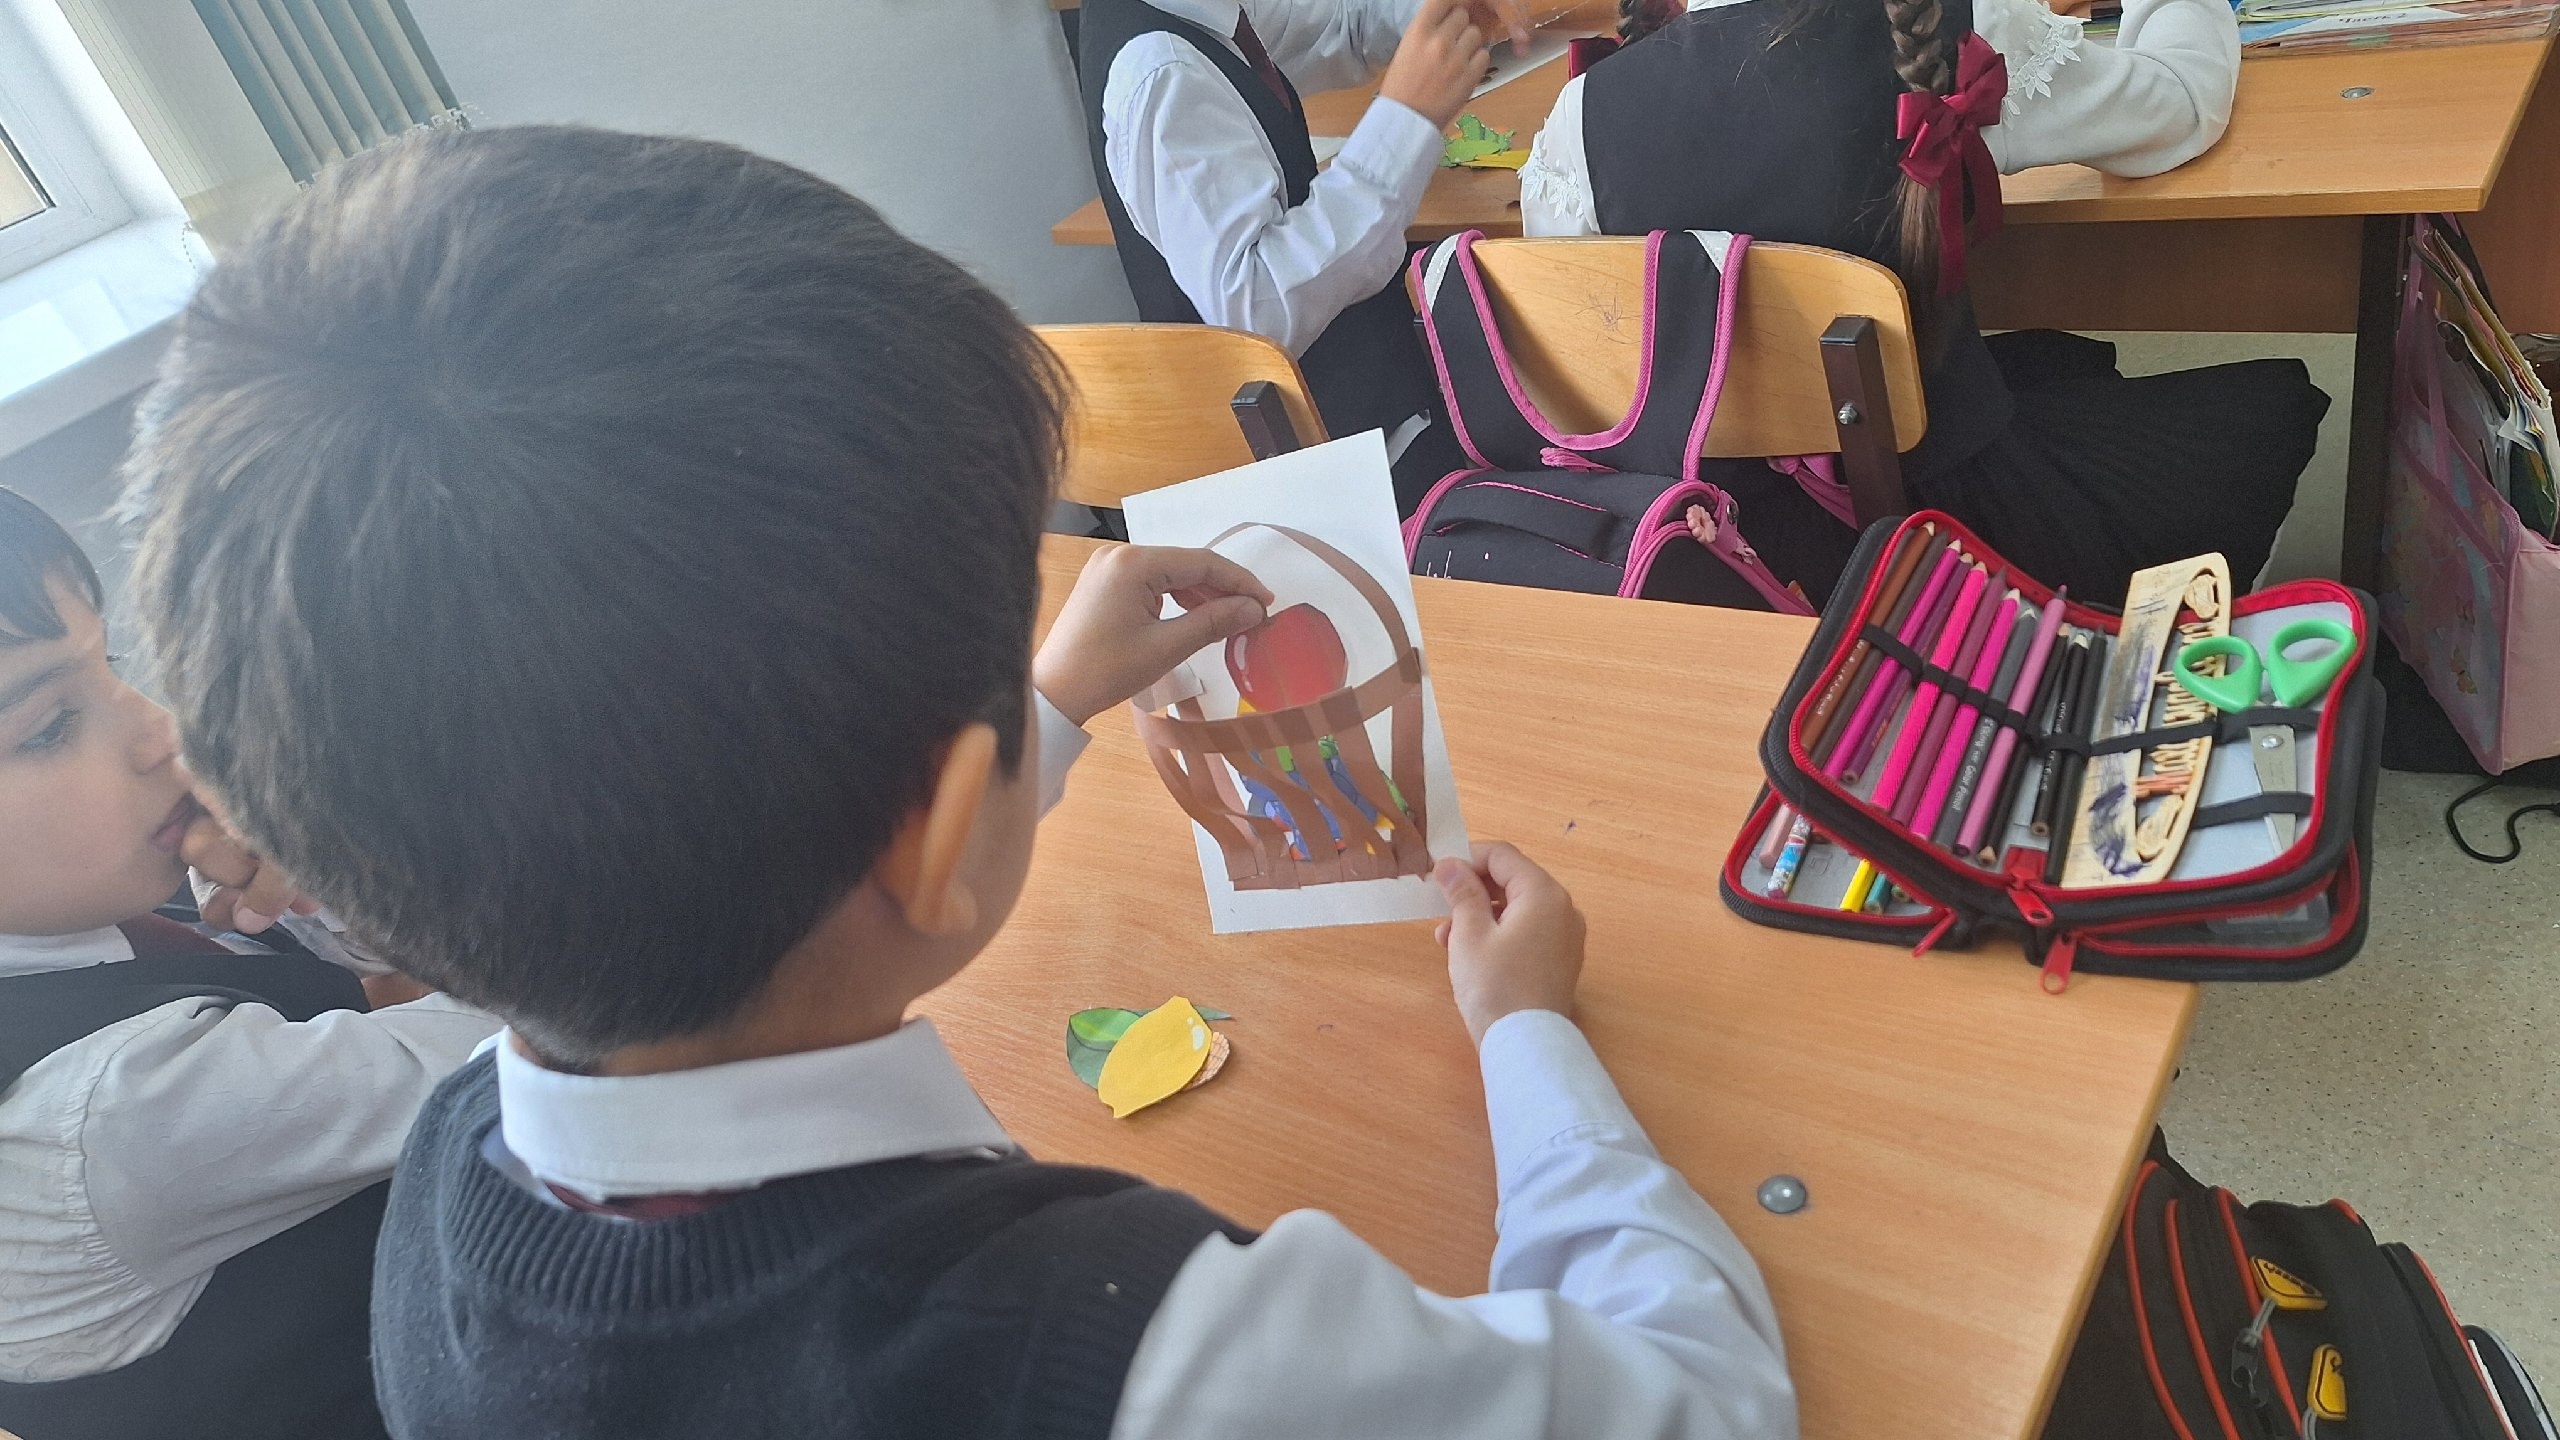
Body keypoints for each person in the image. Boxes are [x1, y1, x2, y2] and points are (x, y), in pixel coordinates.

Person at [123, 126, 1797, 1440]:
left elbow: (853, 857)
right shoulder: (1122, 1340)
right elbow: (1700, 1403)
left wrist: (1038, 703)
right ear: (934, 831)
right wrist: (1530, 1037)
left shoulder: (443, 1177)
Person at [1516, 0, 2331, 603]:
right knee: (2261, 415)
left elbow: (1598, 372)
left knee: (2057, 363)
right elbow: (2181, 105)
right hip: (1966, 533)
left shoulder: (1579, 119)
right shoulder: (1951, 29)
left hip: (1729, 549)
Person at [0, 487, 499, 1440]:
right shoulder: (112, 1113)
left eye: (111, 666)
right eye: (50, 725)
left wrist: (310, 873)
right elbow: (545, 1026)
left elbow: (348, 977)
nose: (159, 729)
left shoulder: (78, 918)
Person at [1081, 0, 1527, 512]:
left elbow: (1339, 25)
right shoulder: (1162, 74)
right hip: (1337, 473)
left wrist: (1442, 18)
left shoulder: (1207, 12)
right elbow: (1258, 305)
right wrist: (1406, 120)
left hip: (1372, 403)